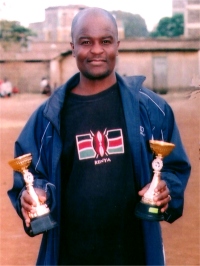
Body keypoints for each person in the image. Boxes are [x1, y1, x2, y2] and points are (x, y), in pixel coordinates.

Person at [8, 7, 191, 266]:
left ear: (118, 45)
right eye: (86, 42)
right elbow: (29, 177)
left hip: (134, 254)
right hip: (70, 255)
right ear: (72, 47)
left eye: (105, 41)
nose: (96, 50)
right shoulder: (48, 117)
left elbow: (173, 168)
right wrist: (32, 196)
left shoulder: (151, 109)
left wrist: (166, 190)